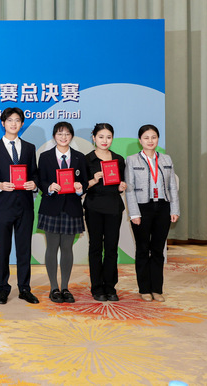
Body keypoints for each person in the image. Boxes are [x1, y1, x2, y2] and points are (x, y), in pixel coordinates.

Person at [0, 107, 40, 305]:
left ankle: (24, 288)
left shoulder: (29, 147)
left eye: (17, 120)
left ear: (22, 123)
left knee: (24, 249)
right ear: (3, 123)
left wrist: (34, 183)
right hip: (3, 206)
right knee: (3, 249)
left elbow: (34, 173)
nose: (13, 124)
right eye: (9, 120)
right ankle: (2, 289)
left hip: (25, 205)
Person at [124, 124, 180, 302]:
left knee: (158, 250)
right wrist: (134, 213)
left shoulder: (166, 159)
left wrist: (174, 209)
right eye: (146, 137)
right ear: (140, 140)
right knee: (142, 249)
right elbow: (129, 189)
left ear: (157, 139)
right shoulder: (132, 160)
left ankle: (157, 289)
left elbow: (172, 186)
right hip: (142, 208)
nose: (150, 141)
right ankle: (144, 289)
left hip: (163, 207)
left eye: (153, 137)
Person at [37, 121, 88, 304]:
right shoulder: (45, 157)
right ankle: (54, 288)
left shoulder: (80, 157)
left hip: (72, 208)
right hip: (51, 207)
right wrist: (49, 187)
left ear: (71, 136)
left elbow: (85, 182)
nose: (63, 137)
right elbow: (40, 180)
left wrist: (80, 188)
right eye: (60, 134)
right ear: (54, 136)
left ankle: (65, 287)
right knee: (51, 248)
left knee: (67, 248)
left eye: (67, 134)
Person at [84, 123, 127, 302]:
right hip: (94, 207)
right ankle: (97, 288)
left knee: (111, 248)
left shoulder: (118, 159)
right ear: (94, 138)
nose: (105, 140)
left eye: (108, 137)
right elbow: (82, 186)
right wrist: (93, 180)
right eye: (101, 137)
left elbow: (121, 184)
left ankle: (110, 286)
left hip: (113, 208)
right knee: (95, 247)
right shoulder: (87, 159)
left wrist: (121, 187)